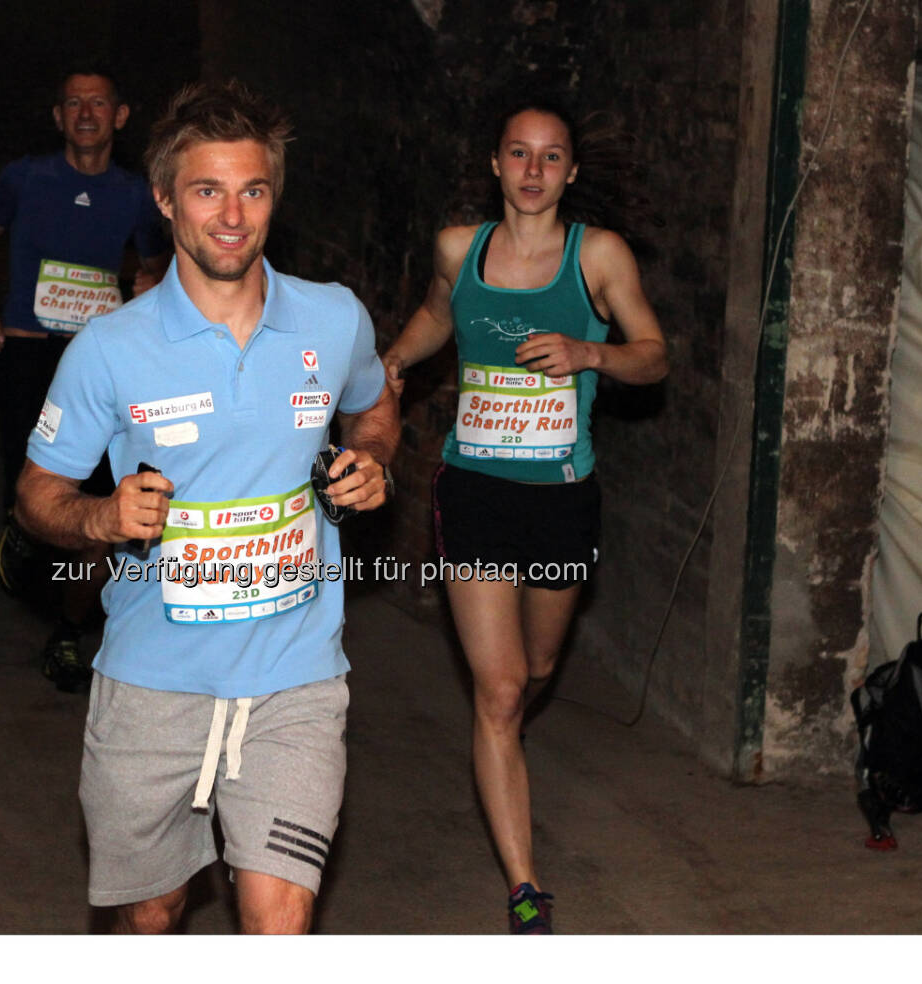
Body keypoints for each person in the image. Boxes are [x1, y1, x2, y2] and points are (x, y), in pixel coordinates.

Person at [15, 80, 398, 933]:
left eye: (252, 189)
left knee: (278, 917)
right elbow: (37, 497)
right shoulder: (108, 352)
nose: (232, 215)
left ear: (274, 198)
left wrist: (371, 460)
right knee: (152, 914)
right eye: (207, 190)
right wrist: (102, 520)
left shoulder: (333, 321)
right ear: (163, 199)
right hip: (155, 680)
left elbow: (375, 404)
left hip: (295, 678)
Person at [381, 100, 668, 934]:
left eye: (551, 158)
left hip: (561, 498)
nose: (534, 171)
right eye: (519, 154)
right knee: (499, 690)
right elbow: (441, 310)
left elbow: (654, 355)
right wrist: (396, 359)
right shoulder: (459, 248)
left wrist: (591, 353)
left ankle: (505, 730)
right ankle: (524, 887)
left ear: (570, 173)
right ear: (495, 165)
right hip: (473, 489)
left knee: (538, 668)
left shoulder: (597, 258)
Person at [0, 68, 170, 692]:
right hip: (27, 355)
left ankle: (67, 631)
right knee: (35, 491)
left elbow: (162, 263)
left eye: (99, 103)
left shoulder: (137, 193)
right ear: (58, 117)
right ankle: (23, 533)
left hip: (102, 366)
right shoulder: (24, 178)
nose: (86, 113)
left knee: (107, 498)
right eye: (74, 103)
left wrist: (152, 284)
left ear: (121, 115)